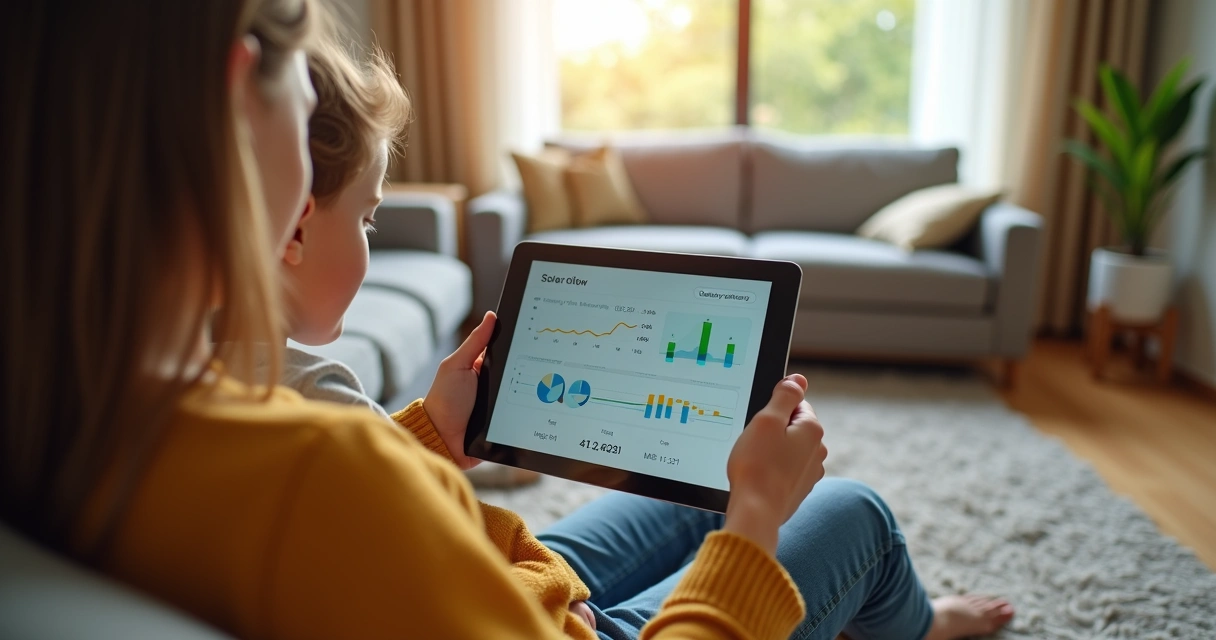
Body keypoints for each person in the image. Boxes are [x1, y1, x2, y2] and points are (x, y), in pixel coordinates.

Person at [0, 1, 1015, 638]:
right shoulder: (314, 472)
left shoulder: (73, 407)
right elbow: (329, 507)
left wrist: (430, 436)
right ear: (235, 106)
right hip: (572, 620)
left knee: (703, 477)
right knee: (857, 518)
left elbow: (345, 536)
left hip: (504, 579)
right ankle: (913, 626)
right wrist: (753, 521)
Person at [268, 37, 539, 489]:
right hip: (505, 561)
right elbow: (465, 560)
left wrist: (433, 429)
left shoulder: (150, 387)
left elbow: (362, 491)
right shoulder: (324, 406)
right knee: (670, 512)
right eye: (367, 221)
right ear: (296, 229)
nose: (370, 236)